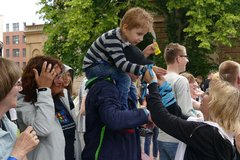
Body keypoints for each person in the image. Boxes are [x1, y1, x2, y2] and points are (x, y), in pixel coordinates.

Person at [83, 7, 165, 110]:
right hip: (93, 66)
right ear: (125, 28)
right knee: (124, 78)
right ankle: (121, 110)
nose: (141, 39)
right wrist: (143, 69)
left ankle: (133, 110)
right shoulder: (112, 38)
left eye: (143, 35)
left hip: (105, 65)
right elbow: (121, 64)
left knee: (130, 84)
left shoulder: (124, 40)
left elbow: (130, 60)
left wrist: (144, 53)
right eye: (139, 34)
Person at [145, 70, 238, 160]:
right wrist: (164, 87)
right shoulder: (217, 131)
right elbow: (178, 114)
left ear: (216, 105)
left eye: (208, 93)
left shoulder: (205, 132)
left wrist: (152, 85)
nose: (202, 95)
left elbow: (163, 119)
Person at [17, 55, 81, 160]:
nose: (61, 81)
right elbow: (42, 129)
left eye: (61, 75)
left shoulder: (61, 97)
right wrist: (44, 89)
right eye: (55, 76)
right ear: (37, 78)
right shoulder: (23, 102)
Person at [158, 43, 199, 160]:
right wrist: (200, 116)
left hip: (161, 137)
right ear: (178, 58)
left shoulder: (159, 78)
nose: (187, 60)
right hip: (177, 139)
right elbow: (185, 112)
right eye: (185, 56)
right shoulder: (181, 80)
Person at [0, 57, 39, 160]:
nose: (21, 88)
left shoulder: (7, 123)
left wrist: (22, 151)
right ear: (3, 85)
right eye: (18, 83)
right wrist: (18, 152)